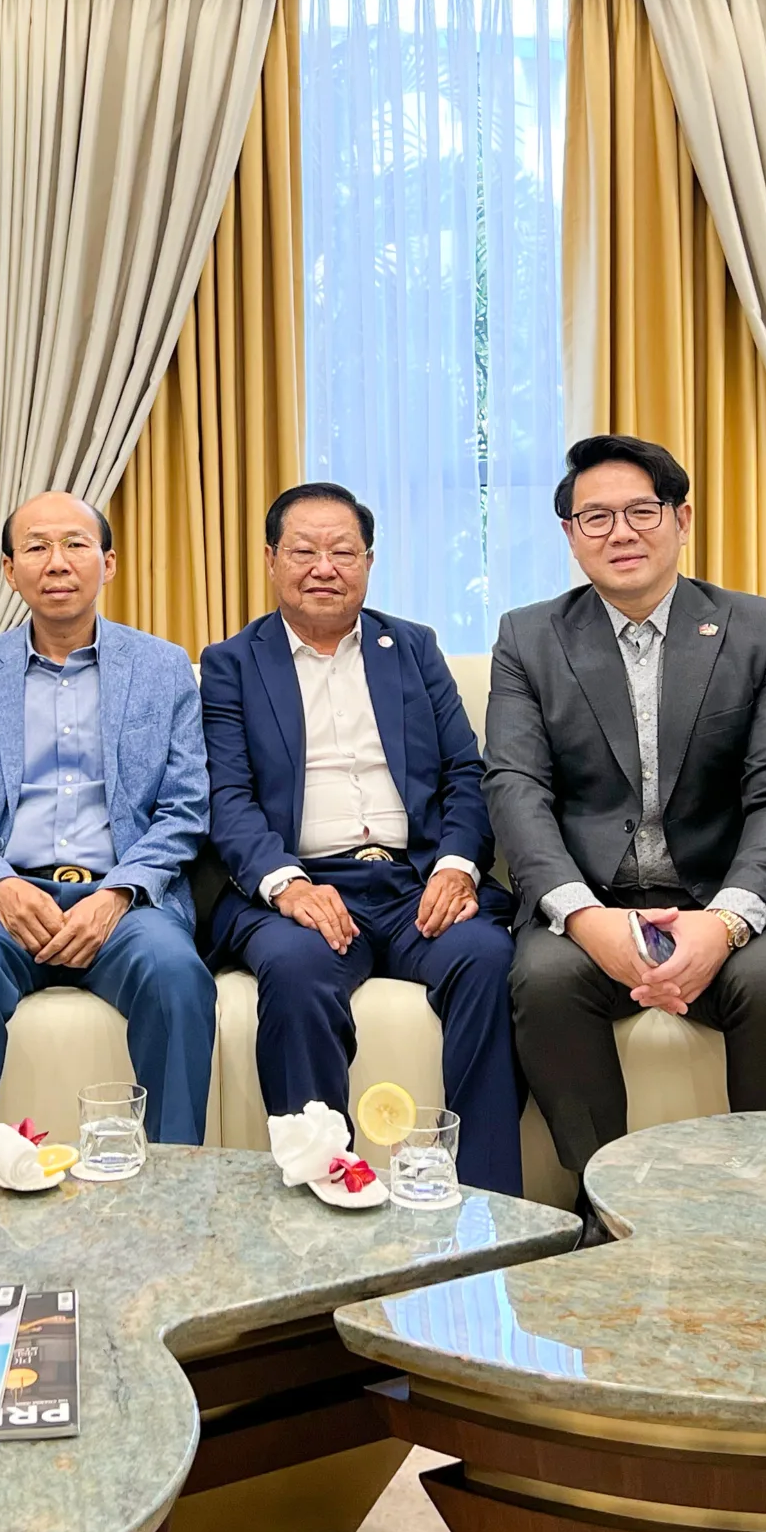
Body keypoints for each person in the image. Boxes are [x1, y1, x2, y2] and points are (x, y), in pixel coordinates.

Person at [488, 435, 766, 1217]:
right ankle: (601, 1205)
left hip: (717, 892)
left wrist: (726, 923)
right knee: (544, 980)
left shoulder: (756, 629)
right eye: (596, 517)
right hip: (593, 898)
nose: (621, 532)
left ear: (682, 520)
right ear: (570, 535)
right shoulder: (529, 637)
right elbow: (515, 789)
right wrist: (584, 918)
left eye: (642, 511)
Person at [199, 483, 523, 1194]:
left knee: (487, 958)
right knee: (294, 970)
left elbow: (465, 772)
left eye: (343, 552)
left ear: (368, 562)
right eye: (304, 551)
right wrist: (287, 884)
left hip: (413, 884)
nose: (324, 567)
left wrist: (458, 866)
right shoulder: (232, 663)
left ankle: (489, 1200)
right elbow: (227, 798)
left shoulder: (412, 647)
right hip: (303, 884)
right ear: (271, 559)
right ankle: (325, 1188)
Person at [0, 491, 217, 1146]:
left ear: (108, 563)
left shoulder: (163, 669)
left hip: (122, 901)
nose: (57, 562)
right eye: (36, 547)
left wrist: (118, 894)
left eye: (76, 544)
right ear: (8, 569)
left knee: (178, 976)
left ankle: (176, 1185)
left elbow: (185, 809)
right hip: (1, 902)